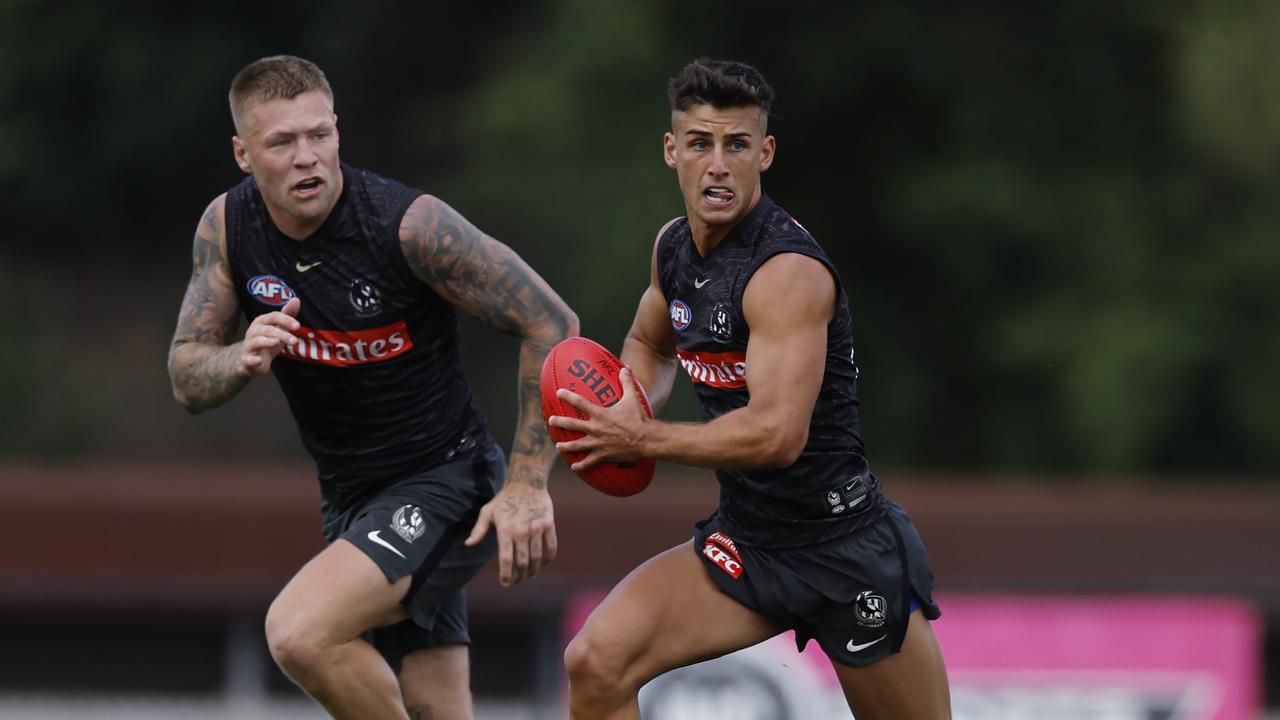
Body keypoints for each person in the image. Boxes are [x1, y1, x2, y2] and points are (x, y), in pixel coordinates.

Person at [166, 55, 577, 720]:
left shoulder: (408, 225)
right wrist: (240, 356)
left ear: (338, 132)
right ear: (244, 154)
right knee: (435, 708)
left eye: (319, 135)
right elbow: (187, 371)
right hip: (351, 497)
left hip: (448, 482)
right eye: (282, 142)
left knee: (300, 633)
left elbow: (553, 324)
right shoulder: (228, 227)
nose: (307, 158)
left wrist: (528, 482)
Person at [552, 59, 951, 719]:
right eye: (701, 143)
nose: (717, 164)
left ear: (763, 154)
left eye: (736, 145)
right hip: (747, 544)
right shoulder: (674, 248)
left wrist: (643, 436)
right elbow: (652, 345)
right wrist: (634, 396)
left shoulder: (786, 272)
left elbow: (776, 436)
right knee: (594, 663)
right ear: (671, 150)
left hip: (842, 549)